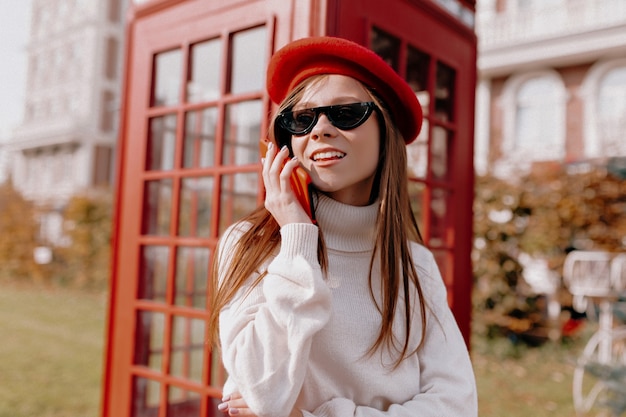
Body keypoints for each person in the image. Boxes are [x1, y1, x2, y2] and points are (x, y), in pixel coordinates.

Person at [208, 36, 477, 417]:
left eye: (346, 114)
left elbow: (457, 406)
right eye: (301, 120)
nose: (319, 129)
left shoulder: (415, 264)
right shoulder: (248, 245)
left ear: (386, 134)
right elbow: (262, 392)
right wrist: (297, 239)